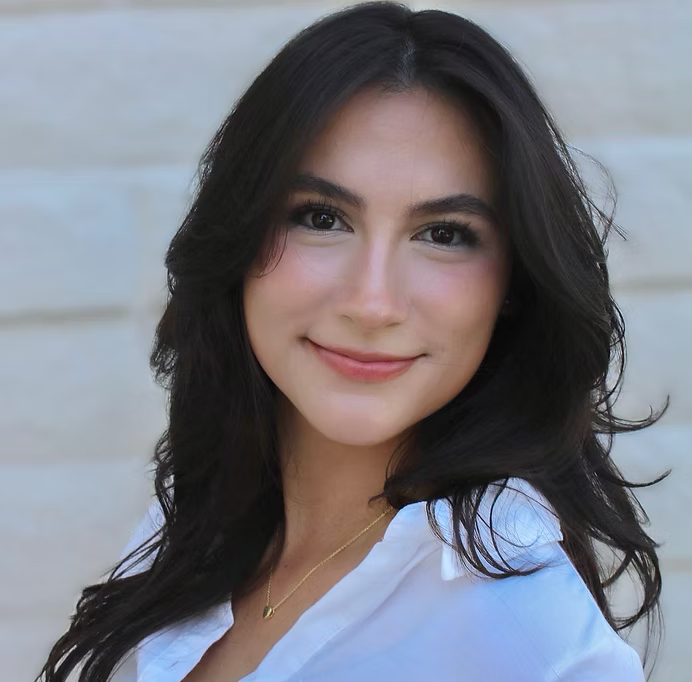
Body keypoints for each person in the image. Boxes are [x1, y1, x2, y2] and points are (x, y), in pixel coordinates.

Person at [37, 2, 669, 681]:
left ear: (513, 283)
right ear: (238, 236)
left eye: (444, 234)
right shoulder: (191, 532)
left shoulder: (529, 633)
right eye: (321, 218)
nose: (371, 303)